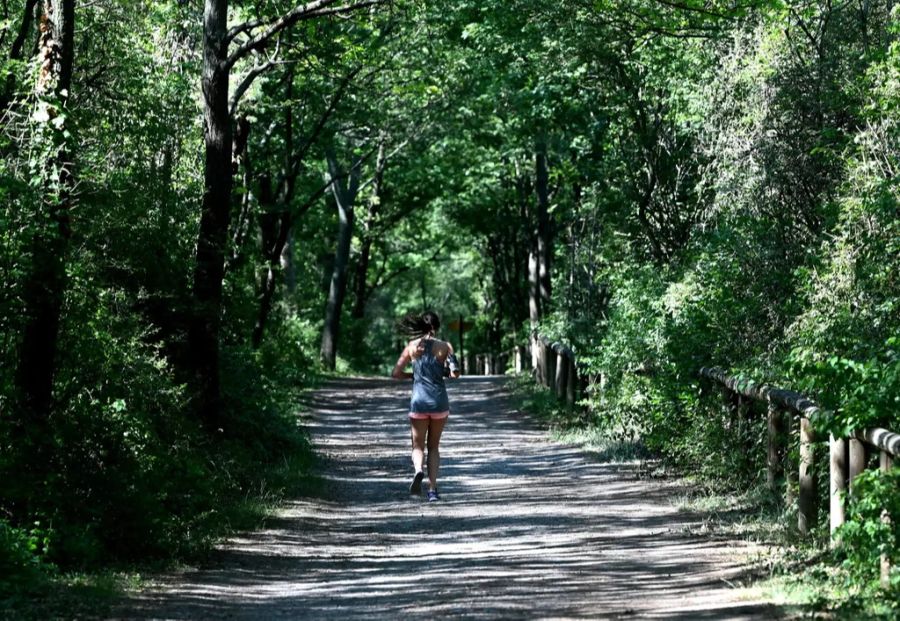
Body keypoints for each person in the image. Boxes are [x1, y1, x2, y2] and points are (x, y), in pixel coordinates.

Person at [391, 310, 460, 501]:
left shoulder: (411, 347)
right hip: (439, 403)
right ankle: (432, 490)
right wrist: (443, 371)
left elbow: (396, 373)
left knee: (417, 446)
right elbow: (455, 373)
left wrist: (412, 375)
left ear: (421, 326)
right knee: (434, 447)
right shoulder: (445, 347)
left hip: (419, 403)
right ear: (436, 327)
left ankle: (417, 470)